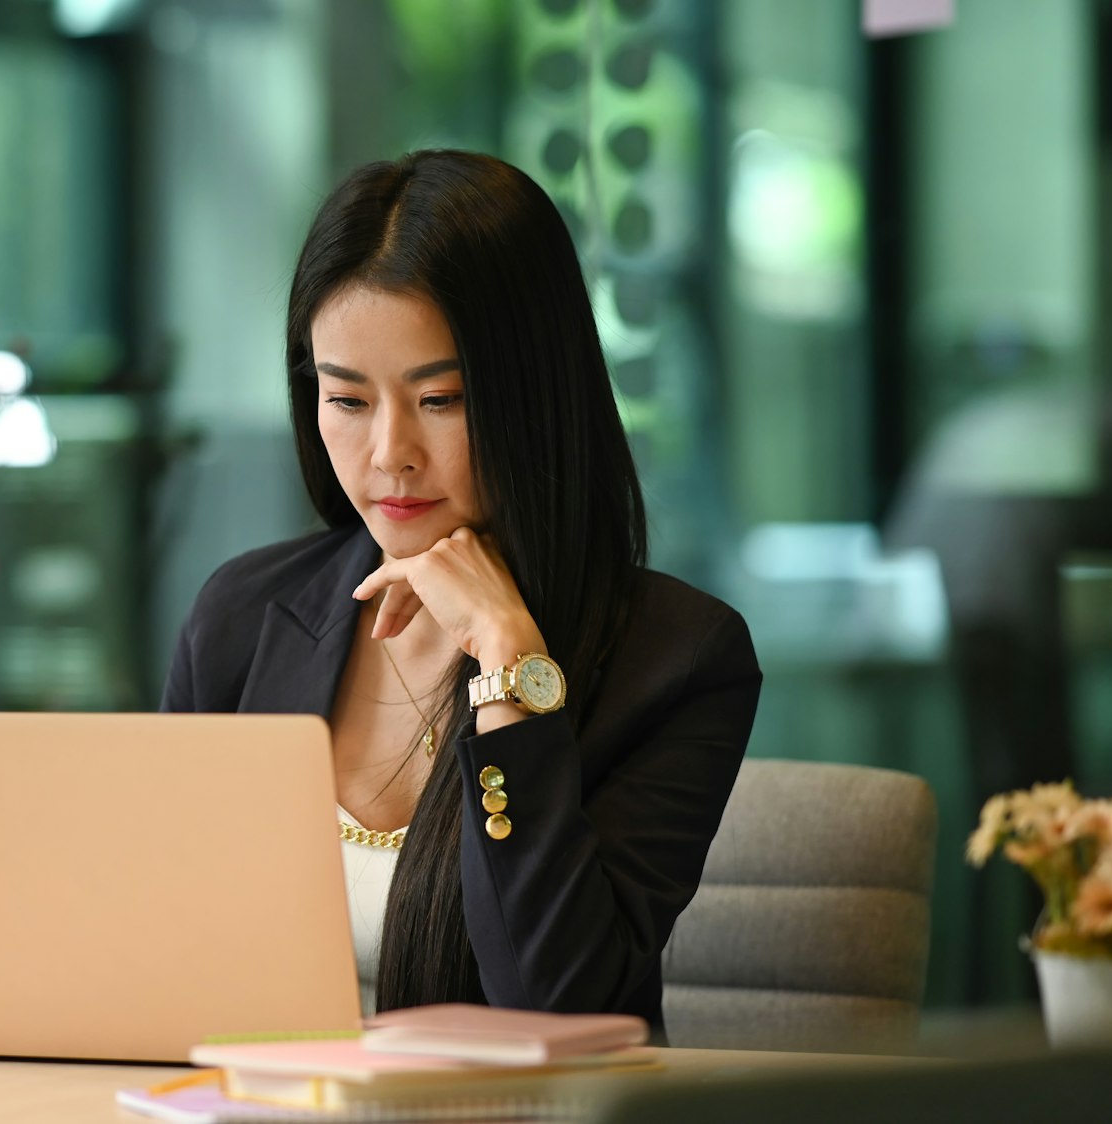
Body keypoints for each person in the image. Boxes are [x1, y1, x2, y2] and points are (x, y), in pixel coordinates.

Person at [162, 150, 763, 1038]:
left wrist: (509, 666)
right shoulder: (243, 617)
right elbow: (161, 951)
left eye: (439, 399)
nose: (390, 455)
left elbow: (558, 1005)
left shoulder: (676, 660)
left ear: (536, 395)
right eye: (347, 400)